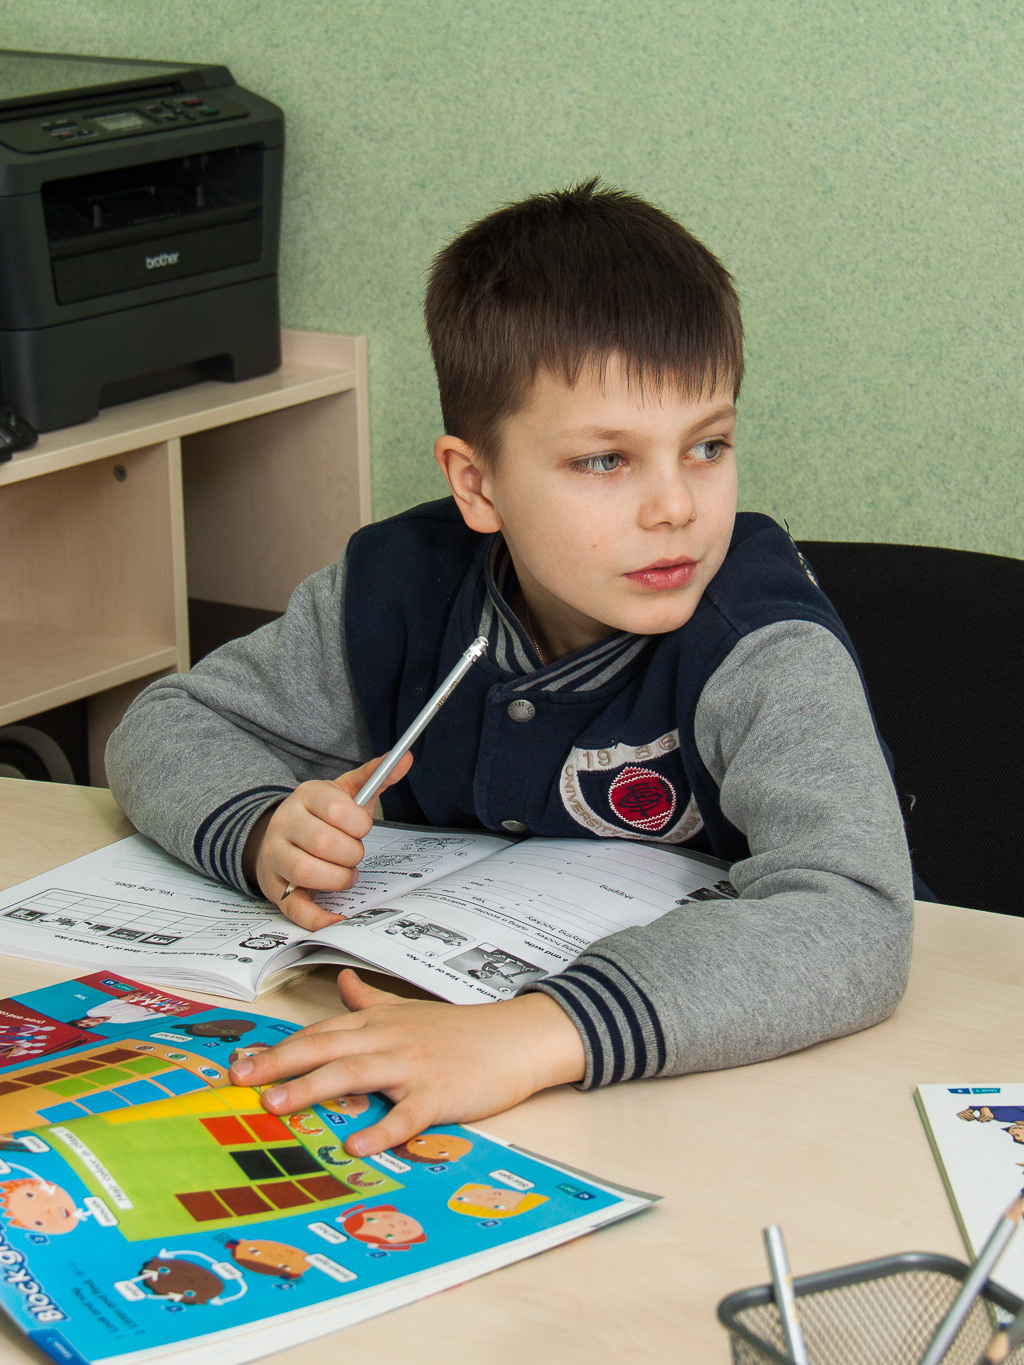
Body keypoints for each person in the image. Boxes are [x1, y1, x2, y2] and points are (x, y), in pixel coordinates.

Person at [105, 180, 914, 1158]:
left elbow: (854, 915)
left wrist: (535, 1034)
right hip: (397, 1029)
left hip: (678, 1105)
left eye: (707, 445)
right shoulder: (392, 590)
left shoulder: (761, 646)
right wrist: (260, 830)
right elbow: (166, 723)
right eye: (606, 461)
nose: (675, 508)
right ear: (476, 484)